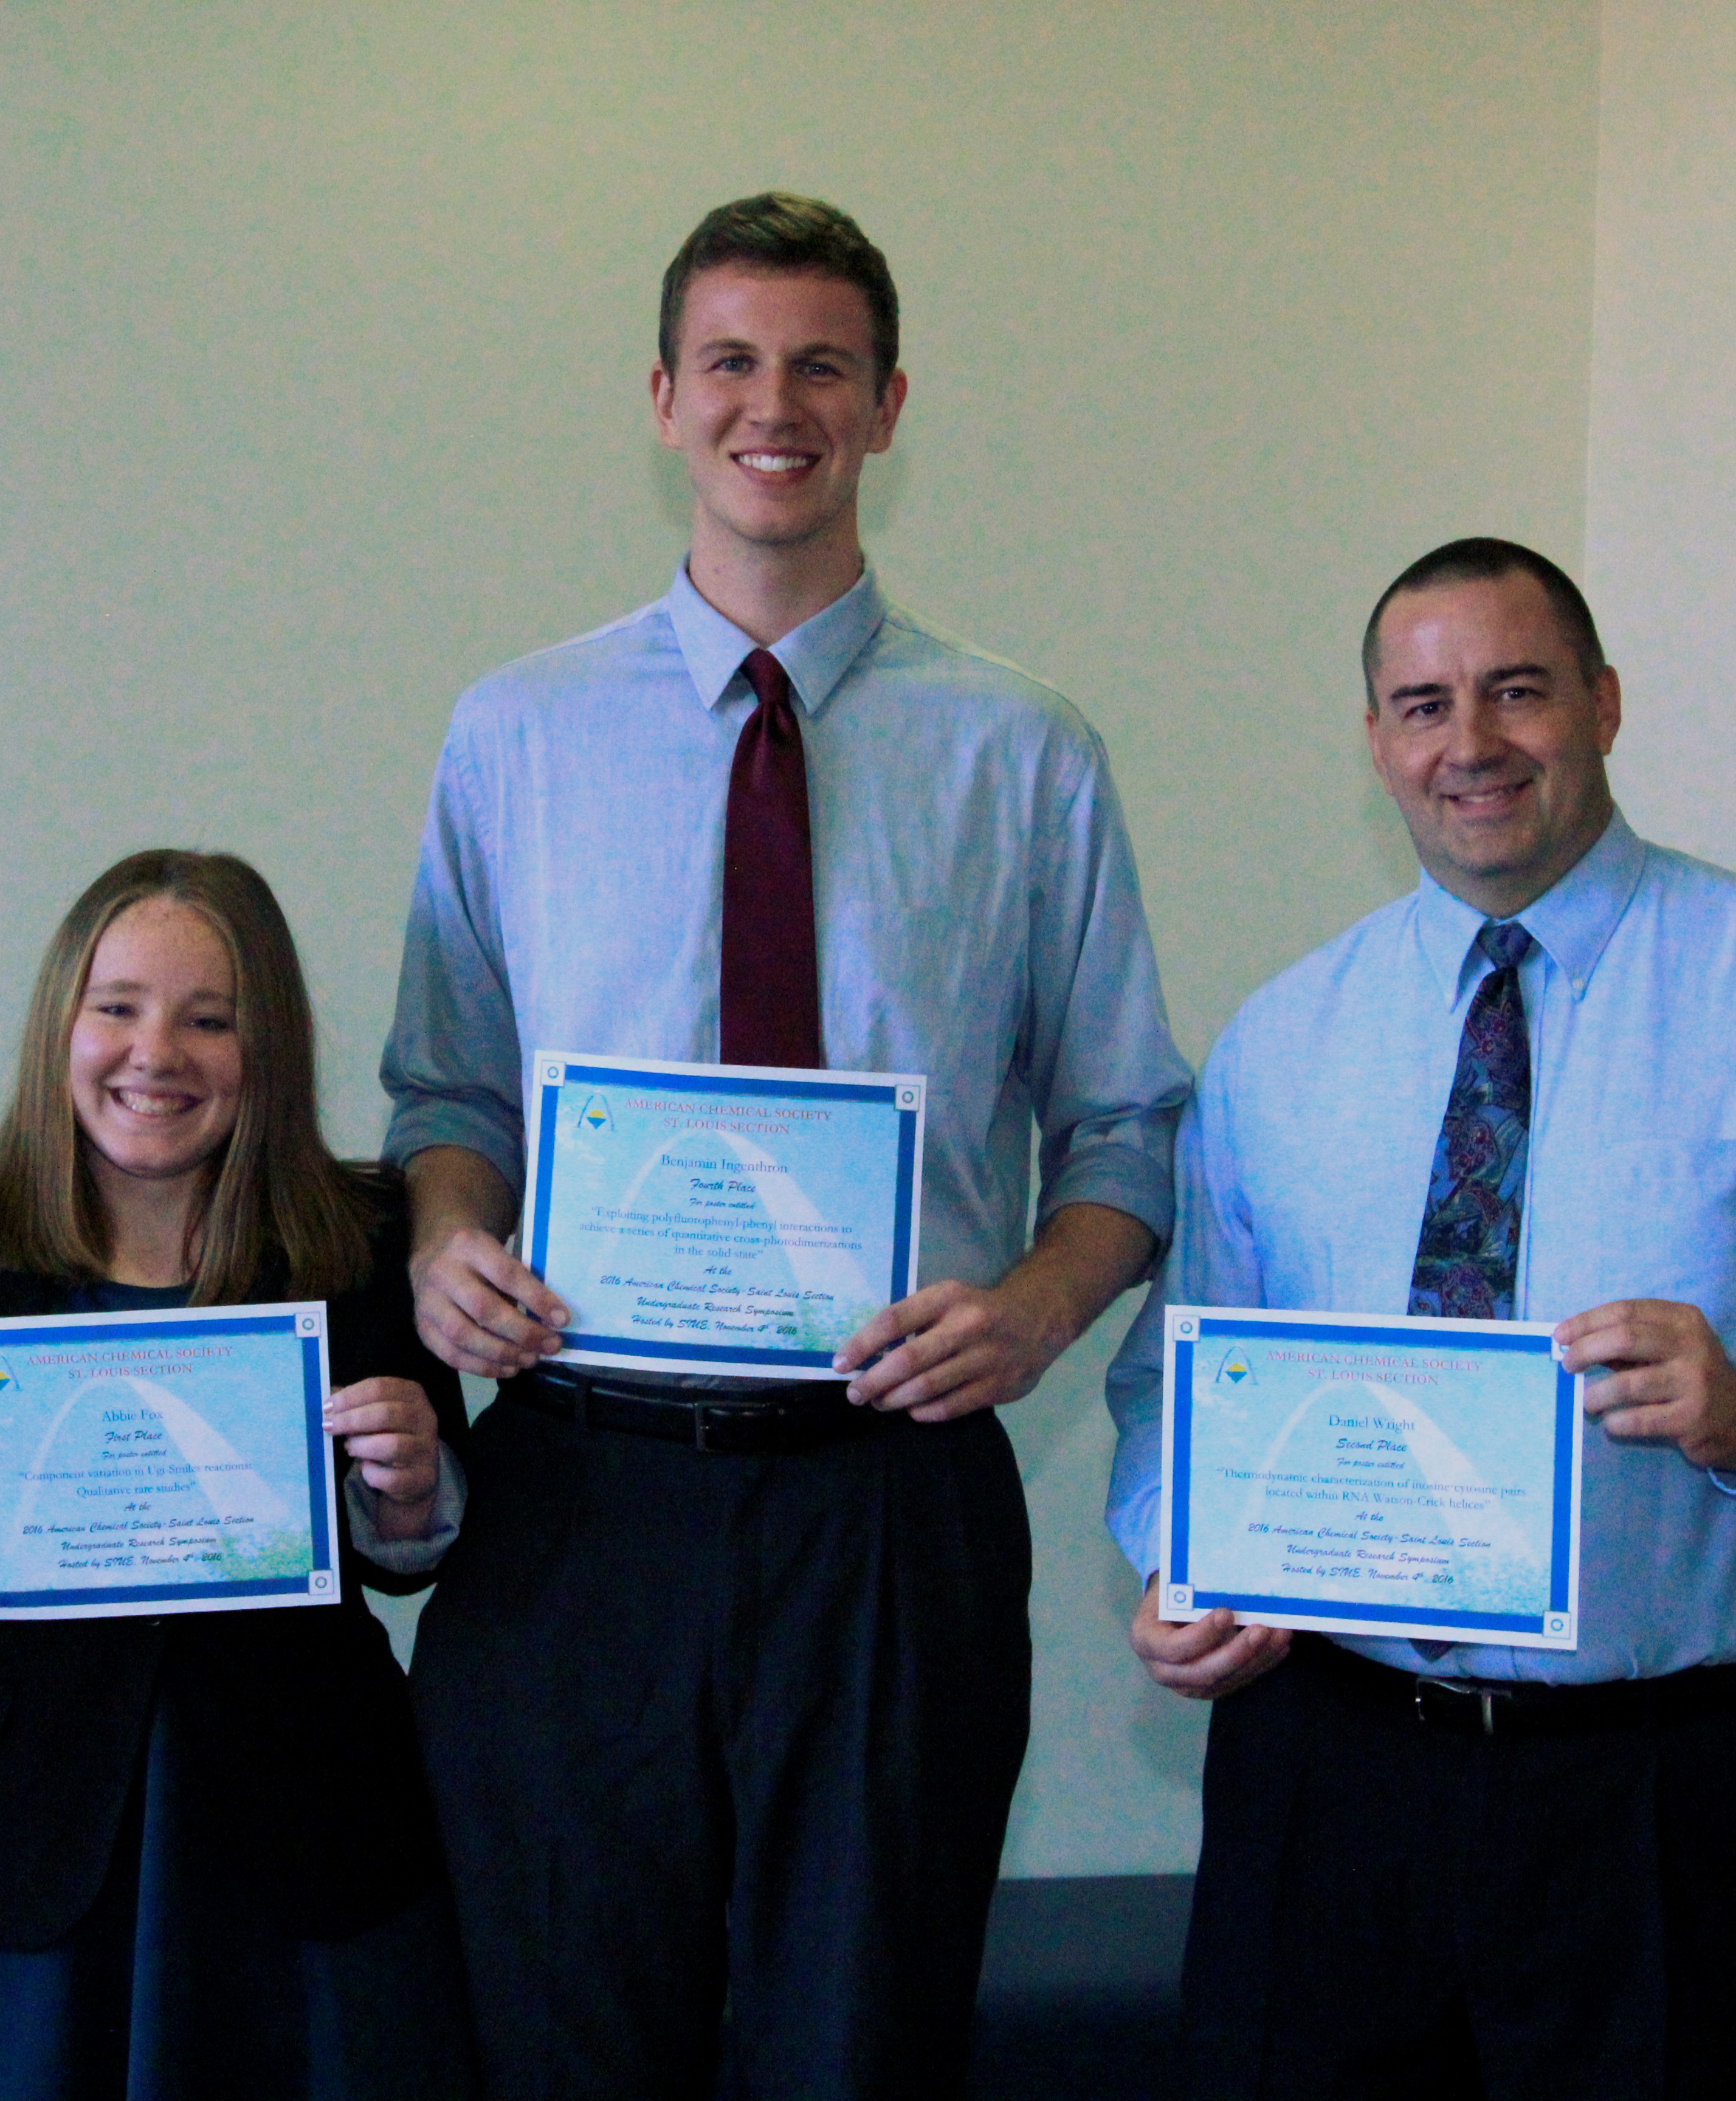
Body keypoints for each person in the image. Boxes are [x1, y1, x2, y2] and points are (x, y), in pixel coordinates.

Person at [382, 191, 1193, 2099]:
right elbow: (447, 1097)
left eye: (822, 365)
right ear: (663, 399)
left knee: (861, 2041)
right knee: (559, 2036)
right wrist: (440, 1242)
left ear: (890, 405)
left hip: (887, 1502)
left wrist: (1038, 1311)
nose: (777, 404)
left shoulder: (1025, 751)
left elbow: (1128, 1127)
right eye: (732, 363)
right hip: (583, 1496)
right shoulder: (514, 734)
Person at [1110, 537, 1736, 2098]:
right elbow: (1179, 1379)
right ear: (1377, 746)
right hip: (1326, 1783)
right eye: (1422, 705)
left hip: (1672, 1795)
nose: (1469, 743)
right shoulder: (1283, 1039)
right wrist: (1177, 1556)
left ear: (1605, 707)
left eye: (1516, 691)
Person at [0, 848, 477, 2101]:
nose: (155, 1053)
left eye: (210, 1019)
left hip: (312, 1835)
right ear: (60, 1025)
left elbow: (419, 1543)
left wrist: (407, 1487)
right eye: (117, 1007)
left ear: (268, 1046)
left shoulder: (368, 1234)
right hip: (22, 1842)